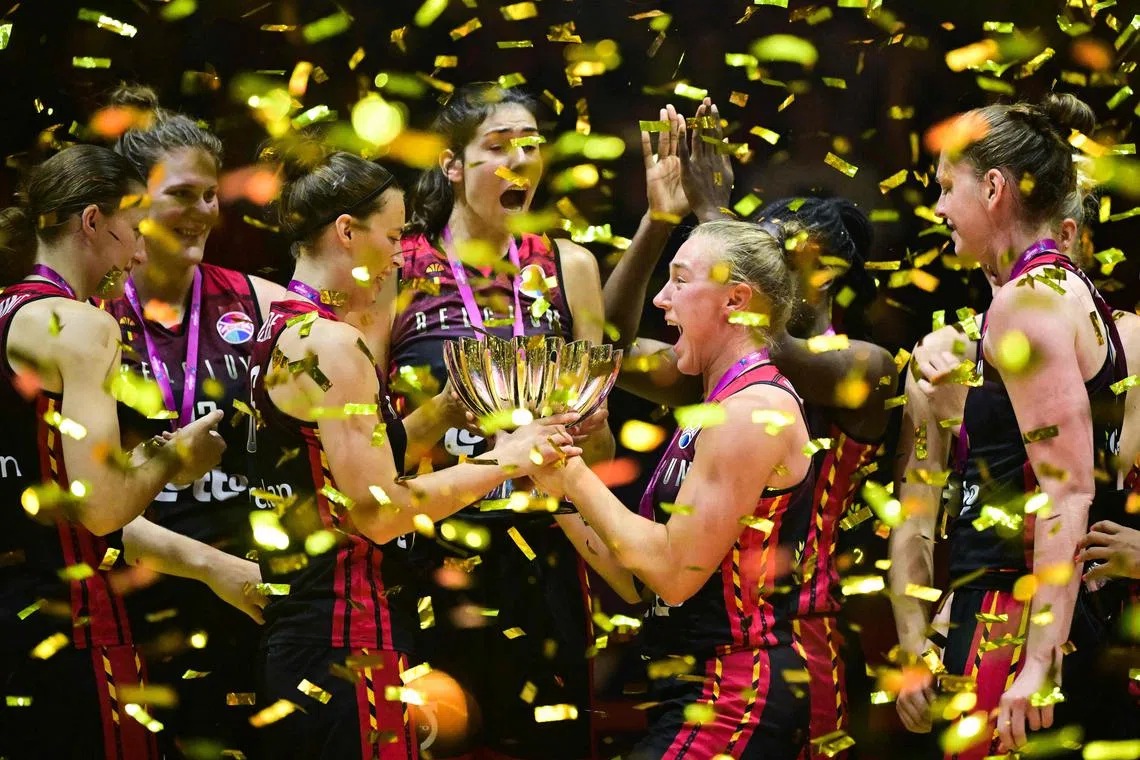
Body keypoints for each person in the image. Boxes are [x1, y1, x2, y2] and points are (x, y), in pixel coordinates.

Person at [248, 145, 581, 759]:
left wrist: (447, 409)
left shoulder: (282, 326)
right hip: (347, 638)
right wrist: (510, 459)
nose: (403, 252)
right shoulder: (334, 346)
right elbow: (378, 514)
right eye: (395, 234)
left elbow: (333, 474)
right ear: (347, 232)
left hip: (307, 631)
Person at [605, 100, 897, 759]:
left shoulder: (864, 367)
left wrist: (715, 225)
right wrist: (659, 222)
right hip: (709, 644)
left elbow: (774, 347)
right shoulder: (709, 373)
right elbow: (610, 347)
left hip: (798, 641)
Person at [0, 145, 264, 760]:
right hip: (72, 627)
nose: (141, 254)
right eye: (133, 232)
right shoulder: (83, 327)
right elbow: (100, 512)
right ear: (92, 221)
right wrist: (176, 459)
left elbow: (56, 504)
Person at [889, 93, 1125, 758]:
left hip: (1012, 620)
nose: (938, 210)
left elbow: (1066, 493)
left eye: (945, 188)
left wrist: (1036, 664)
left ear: (993, 188)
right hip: (1035, 612)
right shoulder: (1070, 293)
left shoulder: (1026, 302)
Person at [389, 82, 613, 759]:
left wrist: (585, 423)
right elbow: (369, 445)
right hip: (432, 553)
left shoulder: (570, 266)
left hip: (541, 554)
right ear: (453, 166)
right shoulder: (398, 266)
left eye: (531, 146)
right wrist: (447, 410)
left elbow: (599, 451)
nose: (520, 160)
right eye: (497, 147)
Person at [532, 220, 813, 758]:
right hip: (690, 686)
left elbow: (674, 576)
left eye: (680, 281)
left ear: (736, 299)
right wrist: (550, 486)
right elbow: (640, 581)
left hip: (734, 692)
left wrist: (572, 472)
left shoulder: (752, 412)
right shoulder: (716, 408)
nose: (661, 299)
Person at [94, 83, 288, 754]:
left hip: (256, 597)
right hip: (142, 605)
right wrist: (209, 565)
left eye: (210, 194)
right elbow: (86, 507)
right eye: (182, 194)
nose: (204, 210)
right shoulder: (87, 321)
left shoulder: (266, 305)